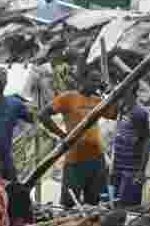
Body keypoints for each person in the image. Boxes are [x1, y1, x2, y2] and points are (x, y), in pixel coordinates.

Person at [38, 76, 116, 208]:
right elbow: (43, 114)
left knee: (94, 204)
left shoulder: (98, 100)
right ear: (82, 80)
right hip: (75, 160)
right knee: (68, 204)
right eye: (93, 78)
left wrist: (108, 94)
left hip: (97, 159)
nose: (96, 83)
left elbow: (114, 115)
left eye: (97, 80)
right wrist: (62, 135)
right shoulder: (68, 97)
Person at [110, 88, 150, 207]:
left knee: (128, 207)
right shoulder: (122, 110)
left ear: (131, 91)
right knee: (115, 204)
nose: (119, 93)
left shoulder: (139, 113)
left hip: (131, 169)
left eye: (124, 89)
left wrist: (141, 171)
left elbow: (146, 141)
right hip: (118, 167)